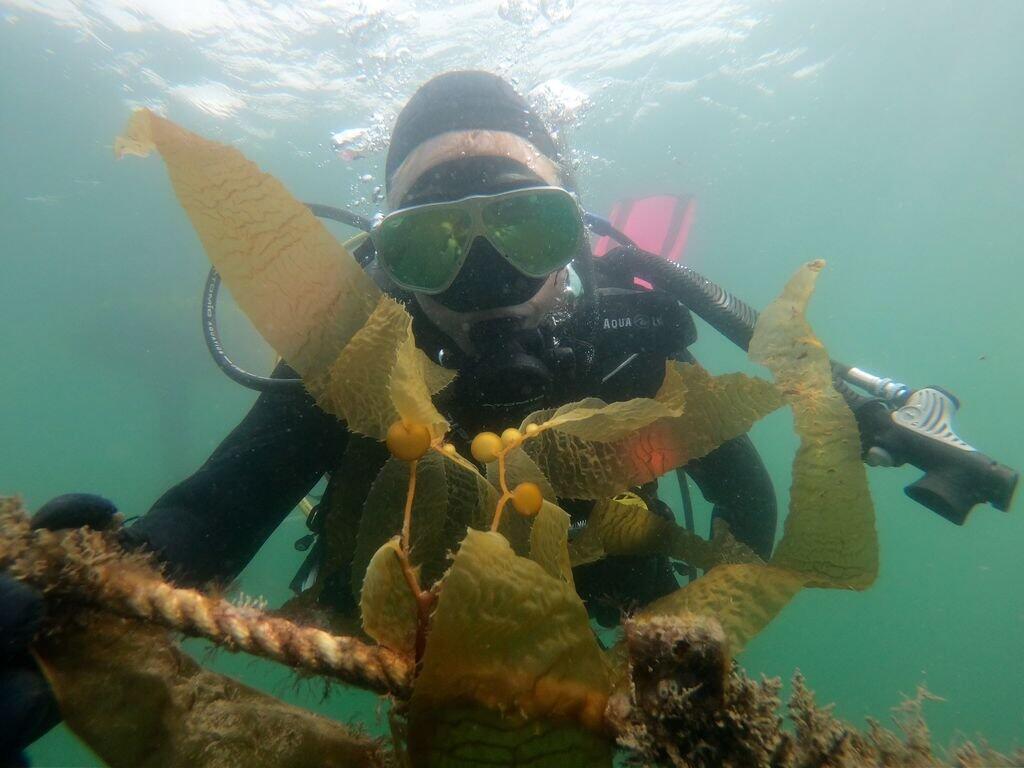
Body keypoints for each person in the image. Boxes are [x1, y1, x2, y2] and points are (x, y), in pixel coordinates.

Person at [0, 71, 776, 762]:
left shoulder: (627, 354)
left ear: (576, 235)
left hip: (609, 591)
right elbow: (218, 507)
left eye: (527, 227)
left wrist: (687, 651)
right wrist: (101, 577)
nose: (485, 277)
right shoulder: (355, 361)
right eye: (430, 243)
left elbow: (746, 501)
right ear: (385, 256)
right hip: (386, 618)